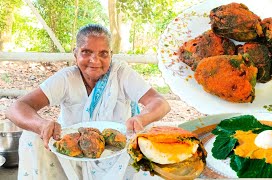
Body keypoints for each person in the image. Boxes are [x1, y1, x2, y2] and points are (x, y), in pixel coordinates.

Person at [5, 24, 171, 180]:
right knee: (31, 137)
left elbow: (160, 102)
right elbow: (16, 108)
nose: (95, 60)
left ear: (111, 55)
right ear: (75, 53)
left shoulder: (121, 74)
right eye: (86, 52)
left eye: (103, 54)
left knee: (150, 136)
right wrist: (41, 125)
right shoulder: (66, 78)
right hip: (72, 154)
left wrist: (141, 119)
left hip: (118, 154)